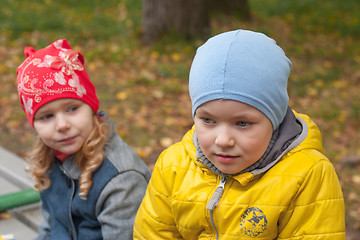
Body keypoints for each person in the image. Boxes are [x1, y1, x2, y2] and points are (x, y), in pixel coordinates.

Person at [133, 29, 345, 239]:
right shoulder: (174, 166)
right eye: (208, 120)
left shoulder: (307, 175)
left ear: (275, 118)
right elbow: (152, 234)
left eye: (242, 123)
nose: (223, 140)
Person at [16, 39, 151, 240]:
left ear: (91, 107)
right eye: (47, 116)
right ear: (34, 123)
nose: (62, 125)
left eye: (72, 108)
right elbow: (52, 225)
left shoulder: (121, 178)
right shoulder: (49, 156)